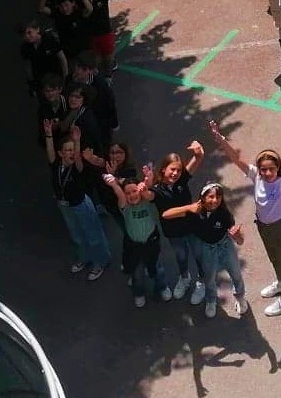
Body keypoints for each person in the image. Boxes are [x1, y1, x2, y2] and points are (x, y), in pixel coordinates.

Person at [209, 121, 281, 317]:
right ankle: (280, 282)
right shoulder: (256, 175)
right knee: (274, 258)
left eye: (271, 169)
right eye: (263, 169)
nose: (267, 173)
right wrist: (221, 139)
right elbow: (236, 159)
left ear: (277, 168)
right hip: (264, 227)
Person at [162, 183, 248, 319]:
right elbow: (166, 215)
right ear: (202, 198)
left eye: (218, 197)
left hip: (225, 246)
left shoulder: (224, 214)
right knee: (209, 277)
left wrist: (237, 235)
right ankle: (211, 301)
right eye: (211, 197)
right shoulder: (194, 212)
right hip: (207, 249)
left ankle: (240, 297)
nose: (215, 200)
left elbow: (240, 241)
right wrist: (188, 207)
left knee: (236, 273)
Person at [43, 124, 110, 281]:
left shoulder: (77, 167)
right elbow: (50, 152)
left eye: (72, 150)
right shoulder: (56, 166)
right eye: (67, 150)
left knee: (93, 233)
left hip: (80, 204)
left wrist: (77, 141)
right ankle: (84, 257)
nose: (71, 152)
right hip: (64, 205)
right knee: (76, 234)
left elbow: (78, 158)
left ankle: (101, 261)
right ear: (60, 153)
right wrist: (48, 135)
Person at [150, 141, 207, 305]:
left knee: (199, 256)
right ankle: (184, 278)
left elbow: (197, 158)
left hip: (192, 227)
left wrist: (198, 151)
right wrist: (144, 185)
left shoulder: (181, 181)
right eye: (172, 169)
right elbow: (164, 213)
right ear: (163, 169)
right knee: (181, 257)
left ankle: (201, 283)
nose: (175, 173)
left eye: (178, 170)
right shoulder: (157, 190)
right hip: (174, 232)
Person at [103, 175, 171, 307]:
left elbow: (150, 194)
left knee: (157, 268)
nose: (131, 195)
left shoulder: (147, 203)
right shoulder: (125, 208)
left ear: (139, 191)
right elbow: (120, 196)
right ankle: (139, 293)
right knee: (137, 273)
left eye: (134, 191)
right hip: (134, 246)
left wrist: (147, 181)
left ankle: (162, 287)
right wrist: (115, 186)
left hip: (151, 243)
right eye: (128, 193)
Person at [20, 20, 68, 94]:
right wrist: (31, 82)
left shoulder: (49, 40)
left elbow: (62, 59)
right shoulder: (25, 48)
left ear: (37, 30)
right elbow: (28, 66)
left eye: (29, 32)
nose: (27, 36)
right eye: (24, 34)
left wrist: (65, 77)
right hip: (40, 81)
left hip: (56, 78)